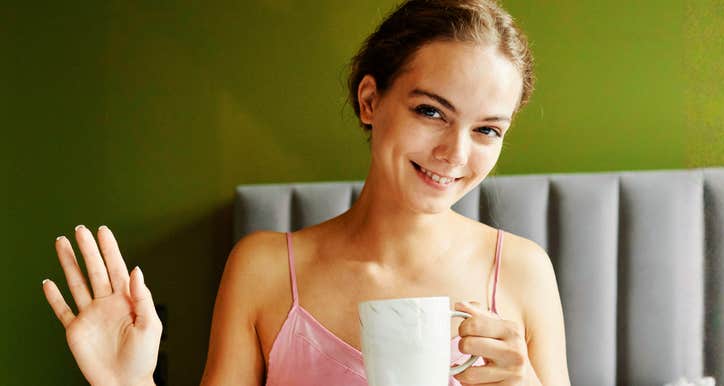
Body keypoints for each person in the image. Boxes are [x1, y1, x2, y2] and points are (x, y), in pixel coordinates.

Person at [42, 0, 570, 385]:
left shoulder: (524, 272)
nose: (455, 153)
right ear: (370, 100)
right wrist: (126, 384)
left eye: (487, 130)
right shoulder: (263, 270)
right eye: (431, 111)